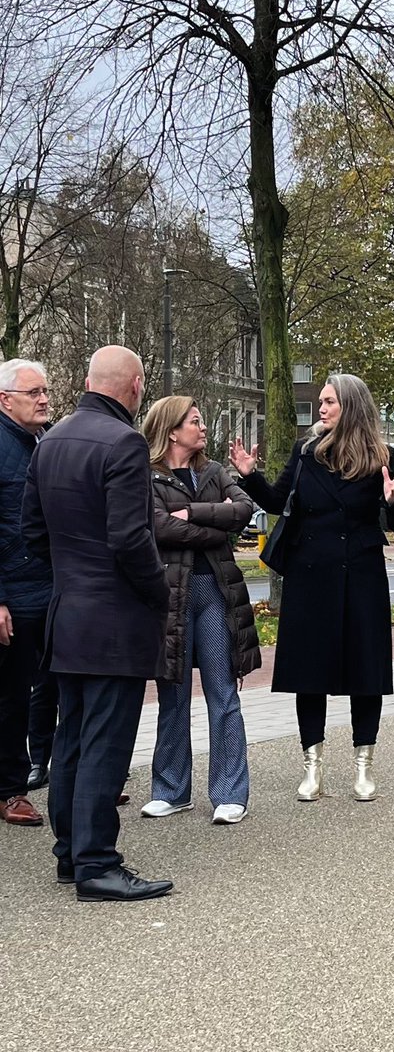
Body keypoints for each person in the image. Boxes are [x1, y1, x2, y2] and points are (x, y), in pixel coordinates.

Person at [22, 346, 172, 902]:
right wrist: (158, 592)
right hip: (114, 618)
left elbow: (32, 531)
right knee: (105, 743)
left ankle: (71, 853)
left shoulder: (50, 440)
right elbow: (130, 537)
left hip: (67, 613)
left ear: (88, 382)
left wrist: (71, 576)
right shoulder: (125, 443)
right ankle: (97, 863)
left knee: (72, 738)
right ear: (134, 386)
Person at [230, 373, 394, 802]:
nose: (321, 408)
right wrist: (250, 475)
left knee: (366, 672)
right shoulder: (306, 451)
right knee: (309, 671)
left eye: (330, 401)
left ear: (350, 406)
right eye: (321, 402)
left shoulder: (383, 456)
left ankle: (364, 765)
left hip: (362, 576)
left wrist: (392, 500)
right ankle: (312, 764)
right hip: (309, 576)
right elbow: (277, 501)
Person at [140, 397, 261, 825]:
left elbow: (243, 510)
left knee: (222, 693)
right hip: (172, 596)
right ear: (172, 430)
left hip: (215, 593)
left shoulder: (214, 472)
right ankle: (171, 791)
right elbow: (158, 527)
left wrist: (191, 512)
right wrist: (215, 531)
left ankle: (230, 794)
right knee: (172, 694)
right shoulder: (148, 476)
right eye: (195, 421)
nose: (203, 427)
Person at [0, 359, 53, 827]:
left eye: (45, 391)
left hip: (52, 586)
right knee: (11, 696)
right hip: (14, 594)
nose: (44, 399)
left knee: (59, 683)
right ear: (5, 400)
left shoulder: (45, 441)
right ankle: (10, 790)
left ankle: (66, 771)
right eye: (33, 392)